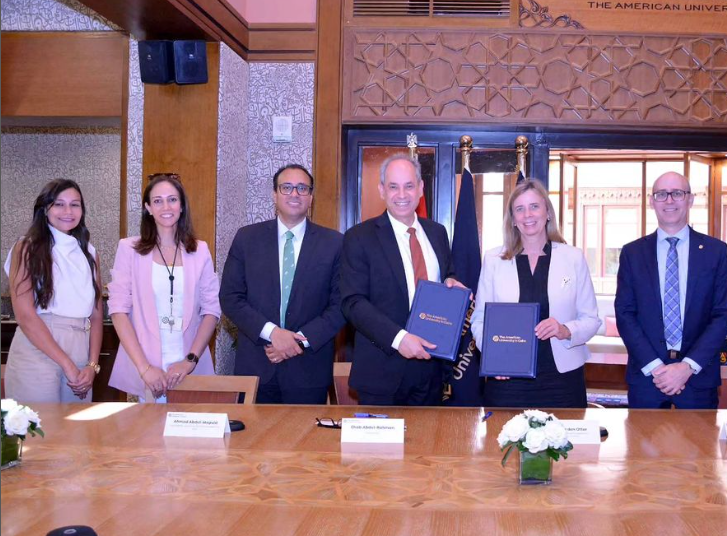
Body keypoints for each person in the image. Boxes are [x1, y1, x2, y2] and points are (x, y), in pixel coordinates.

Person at [341, 153, 464, 406]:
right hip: (382, 372)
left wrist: (451, 283)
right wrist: (399, 339)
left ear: (420, 188)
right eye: (393, 187)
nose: (402, 194)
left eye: (409, 186)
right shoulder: (359, 237)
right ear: (381, 190)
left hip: (431, 370)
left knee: (429, 434)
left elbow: (446, 275)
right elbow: (353, 302)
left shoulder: (437, 233)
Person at [220, 164, 345, 404]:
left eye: (302, 188)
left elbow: (340, 305)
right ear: (274, 195)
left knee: (306, 430)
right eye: (286, 187)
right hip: (256, 369)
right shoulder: (247, 238)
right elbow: (230, 297)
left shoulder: (334, 243)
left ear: (311, 197)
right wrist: (273, 334)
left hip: (309, 372)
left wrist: (298, 341)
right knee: (253, 431)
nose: (294, 194)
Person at [471, 178, 601, 408]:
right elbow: (479, 320)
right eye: (519, 209)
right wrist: (494, 357)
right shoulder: (493, 260)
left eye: (534, 206)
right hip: (507, 379)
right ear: (513, 219)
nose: (528, 215)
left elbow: (591, 319)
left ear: (547, 212)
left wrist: (565, 329)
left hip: (562, 379)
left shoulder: (573, 258)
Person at [615, 172, 727, 409]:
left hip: (698, 377)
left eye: (677, 193)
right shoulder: (632, 253)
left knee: (699, 436)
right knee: (642, 436)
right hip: (647, 377)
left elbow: (721, 315)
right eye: (661, 194)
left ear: (690, 199)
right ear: (652, 201)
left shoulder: (715, 251)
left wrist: (687, 366)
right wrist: (656, 368)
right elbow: (625, 314)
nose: (669, 200)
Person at [108, 174, 220, 401]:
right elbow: (118, 310)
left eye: (172, 199)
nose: (166, 207)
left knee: (190, 424)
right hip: (147, 367)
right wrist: (145, 368)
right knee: (149, 424)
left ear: (182, 206)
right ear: (148, 208)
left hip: (188, 366)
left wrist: (189, 361)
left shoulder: (200, 250)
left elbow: (211, 310)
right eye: (157, 201)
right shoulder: (129, 249)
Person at [4, 179, 104, 403]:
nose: (68, 211)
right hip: (37, 347)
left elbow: (96, 316)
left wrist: (92, 365)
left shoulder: (89, 253)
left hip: (80, 346)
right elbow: (25, 315)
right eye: (59, 204)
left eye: (75, 204)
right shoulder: (26, 247)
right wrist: (67, 364)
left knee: (77, 424)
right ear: (45, 209)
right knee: (38, 424)